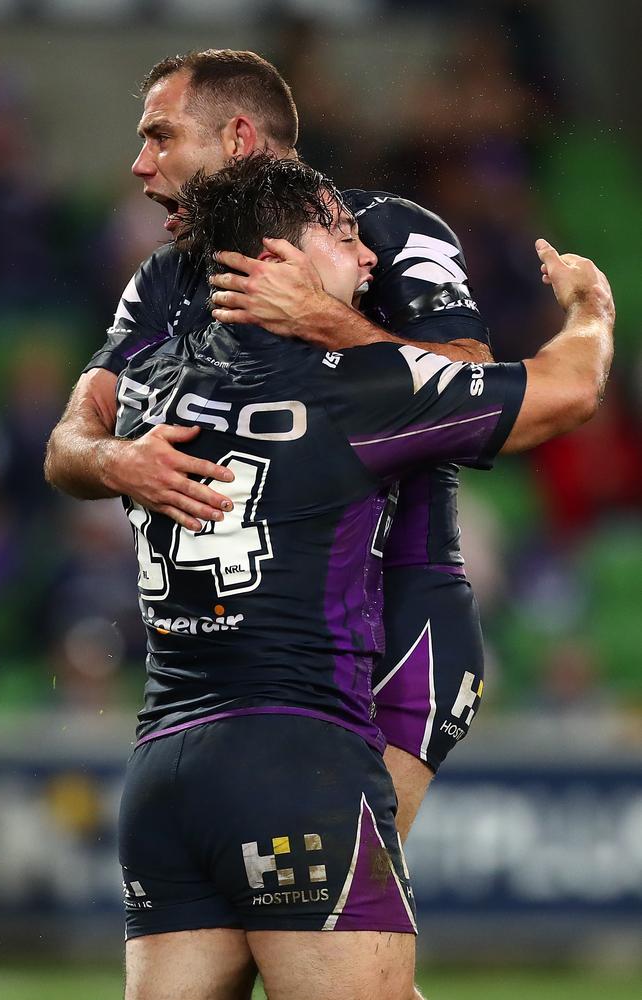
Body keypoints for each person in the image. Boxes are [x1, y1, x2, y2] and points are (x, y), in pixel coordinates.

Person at [114, 153, 613, 1000]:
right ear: (277, 261)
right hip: (297, 763)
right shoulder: (359, 389)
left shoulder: (145, 389)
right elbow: (568, 390)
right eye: (344, 236)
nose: (371, 256)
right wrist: (591, 308)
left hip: (162, 773)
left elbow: (74, 450)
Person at [44, 50, 498, 840]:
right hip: (238, 660)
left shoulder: (380, 235)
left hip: (393, 633)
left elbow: (478, 384)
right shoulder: (164, 278)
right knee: (295, 933)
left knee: (332, 923)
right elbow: (68, 443)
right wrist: (120, 459)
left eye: (161, 136)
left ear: (241, 137)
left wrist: (333, 323)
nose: (140, 163)